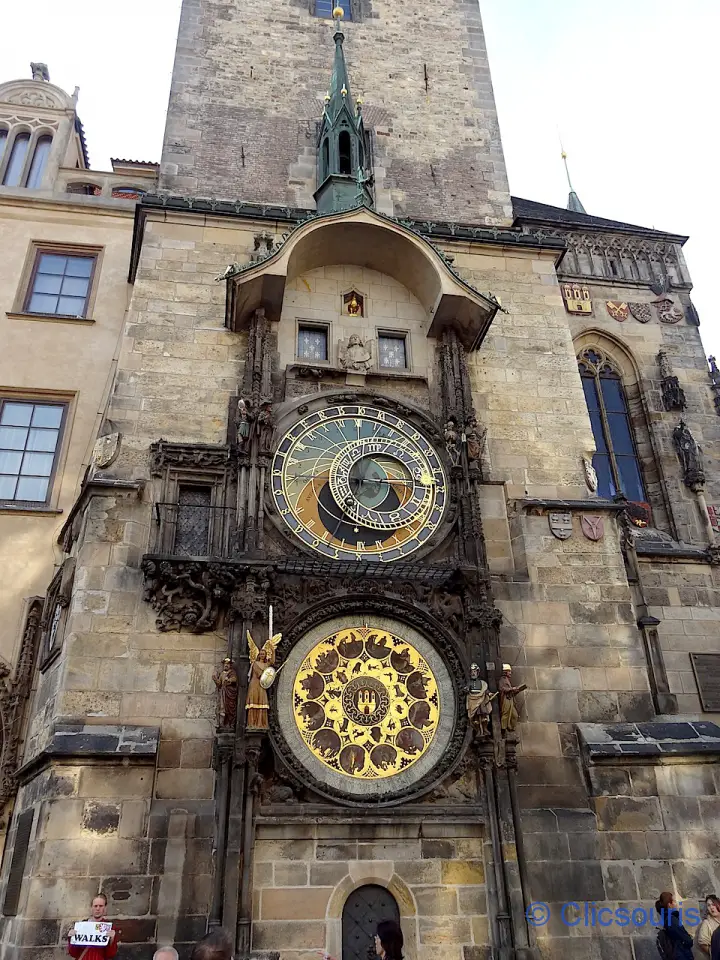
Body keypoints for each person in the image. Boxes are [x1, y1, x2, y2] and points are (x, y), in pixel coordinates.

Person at [67, 893, 118, 959]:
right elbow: (73, 953)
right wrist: (71, 938)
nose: (98, 909)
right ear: (91, 907)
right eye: (95, 906)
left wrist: (112, 940)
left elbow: (110, 955)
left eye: (101, 906)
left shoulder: (109, 928)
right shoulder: (82, 926)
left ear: (105, 908)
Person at [655, 892, 694, 960]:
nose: (676, 903)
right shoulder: (671, 919)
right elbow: (687, 940)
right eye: (674, 901)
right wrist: (689, 939)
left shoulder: (667, 918)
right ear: (669, 904)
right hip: (681, 955)